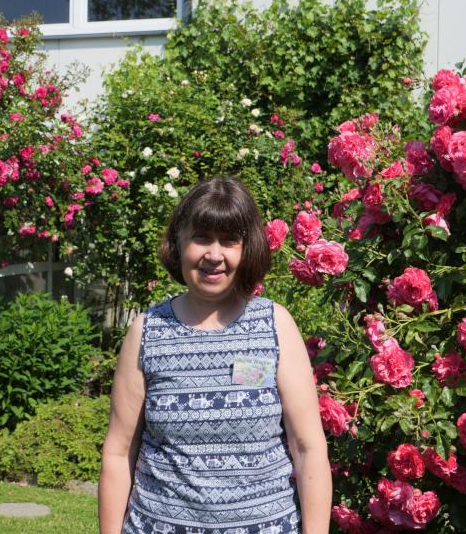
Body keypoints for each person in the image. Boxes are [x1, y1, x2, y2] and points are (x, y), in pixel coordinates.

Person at [99, 176, 332, 533]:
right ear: (180, 242)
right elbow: (118, 453)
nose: (214, 254)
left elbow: (308, 447)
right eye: (201, 237)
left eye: (229, 241)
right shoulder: (147, 331)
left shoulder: (275, 325)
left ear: (247, 248)